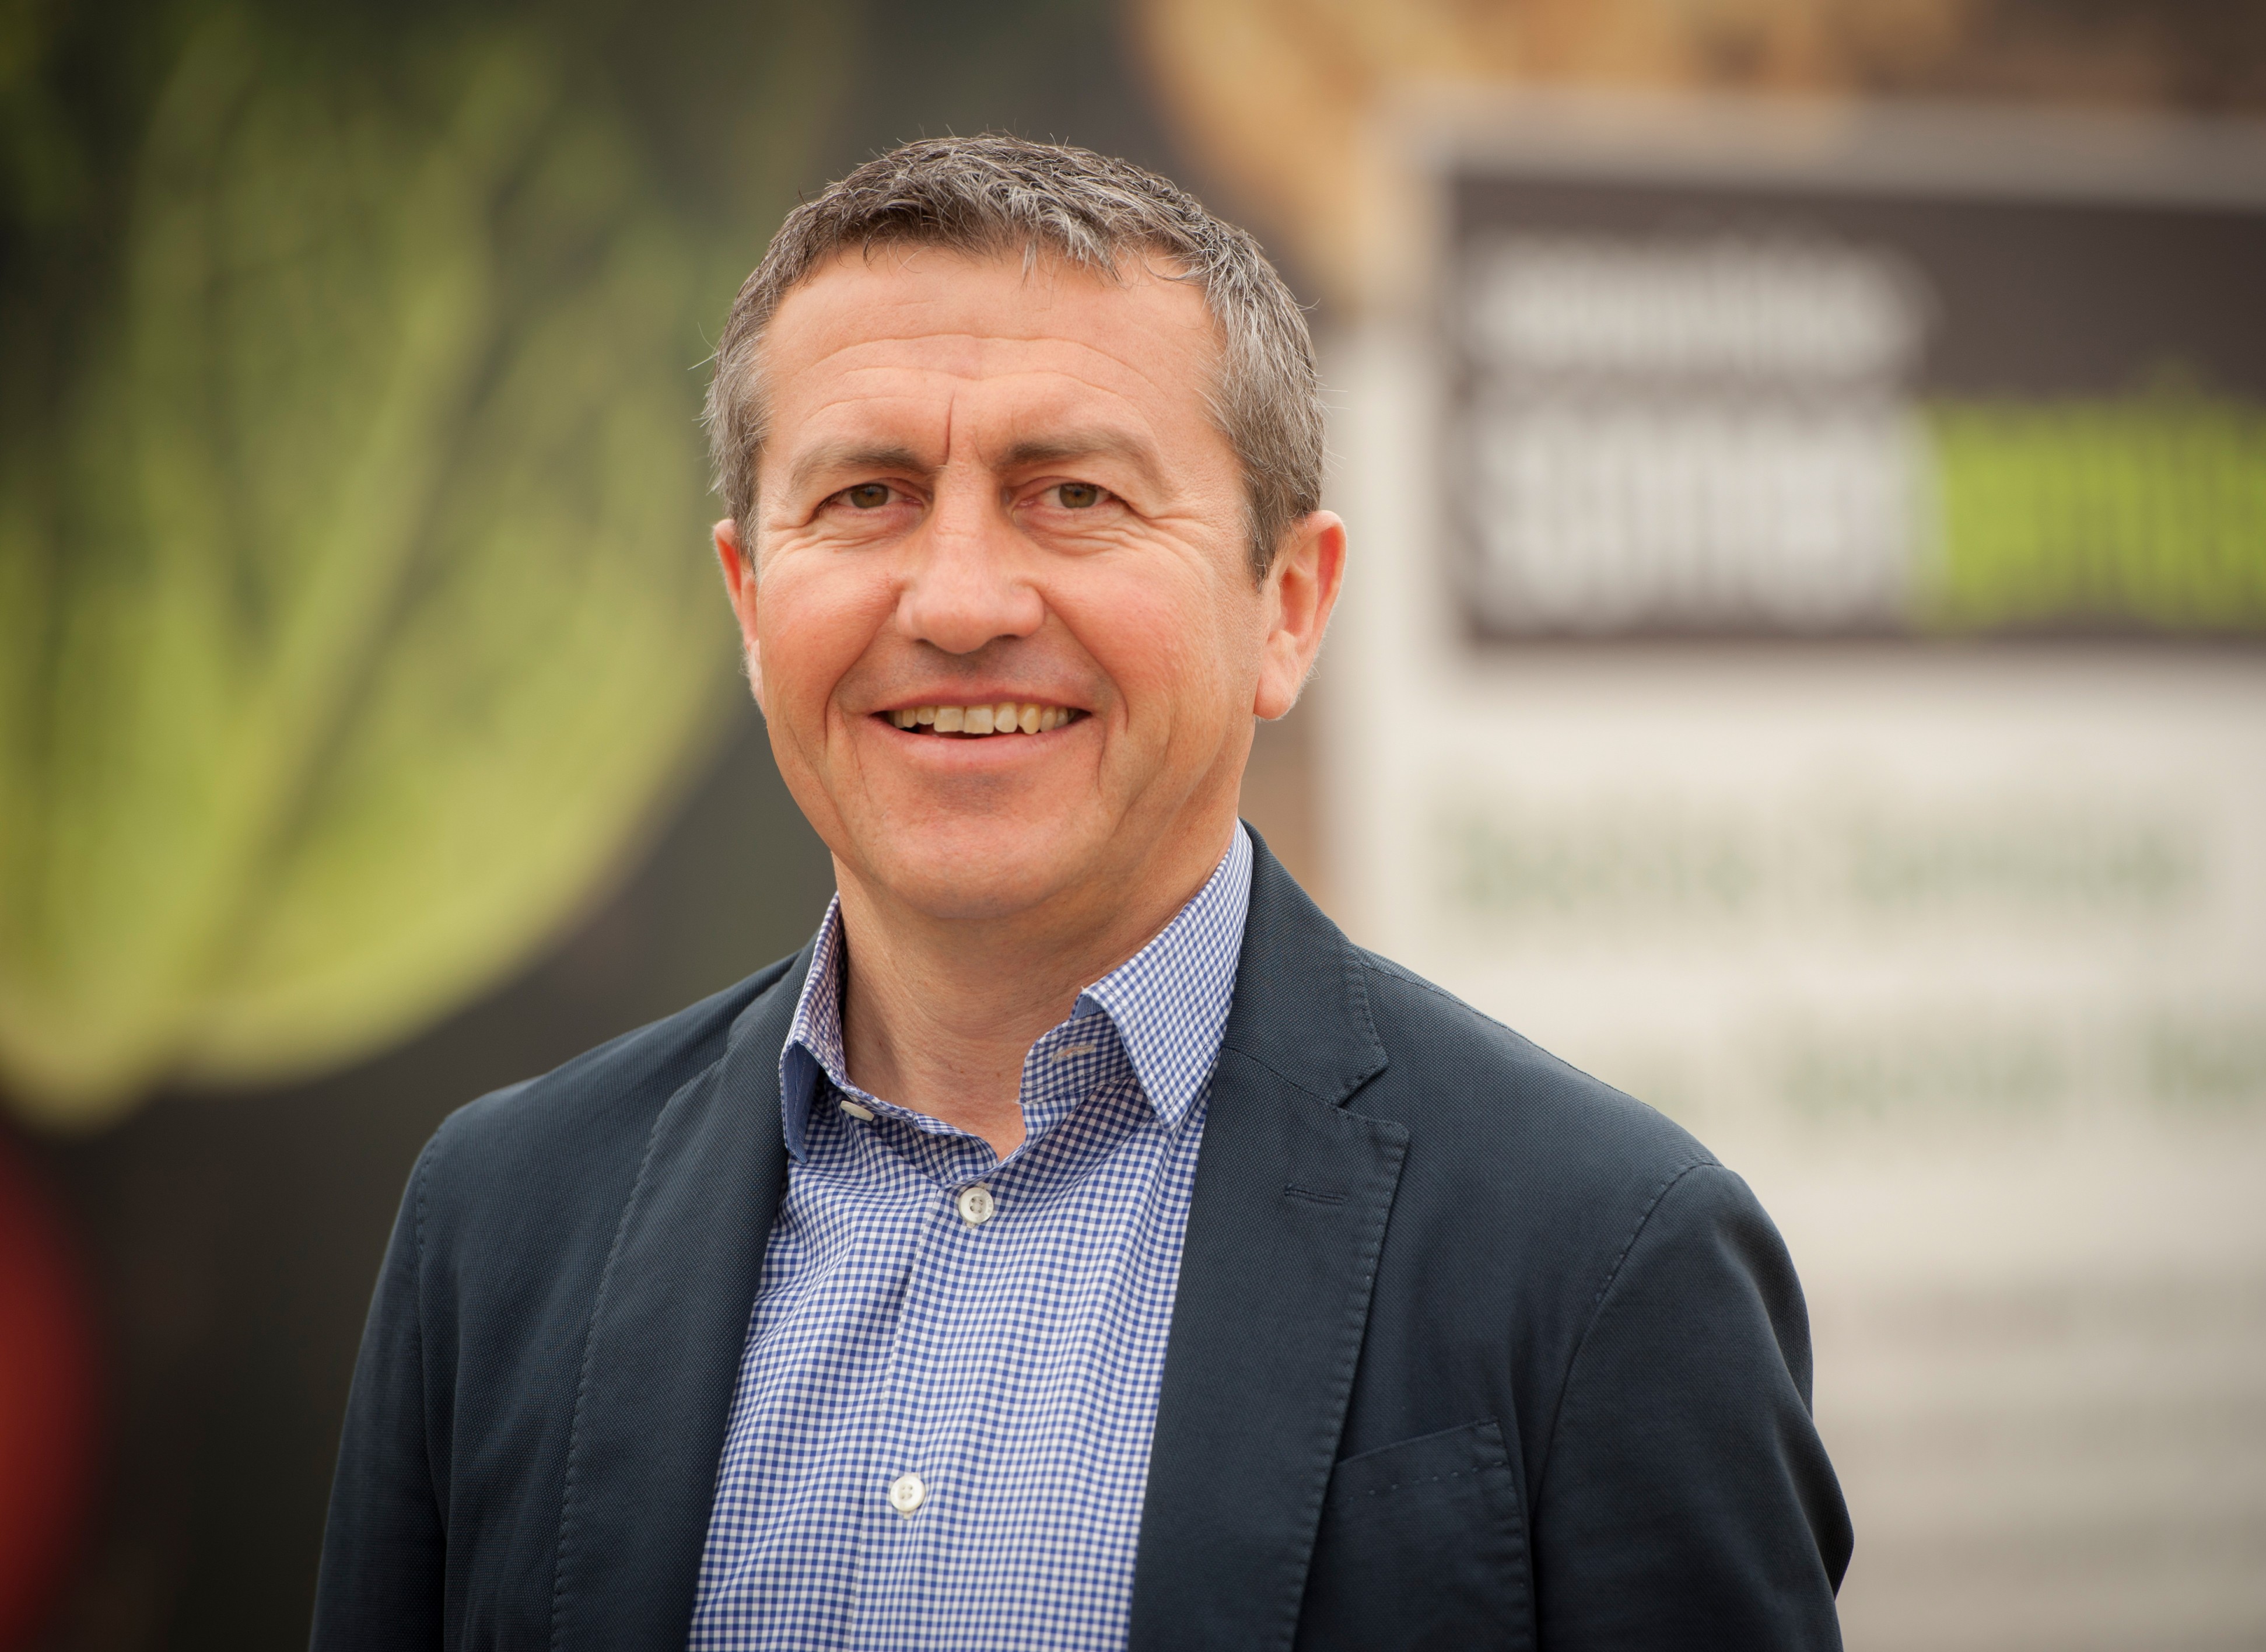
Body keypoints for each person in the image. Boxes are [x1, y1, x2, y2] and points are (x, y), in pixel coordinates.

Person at [311, 135, 1850, 1651]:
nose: (960, 602)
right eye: (867, 495)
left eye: (1075, 495)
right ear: (750, 602)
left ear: (1288, 606)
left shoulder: (1602, 1252)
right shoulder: (500, 1221)